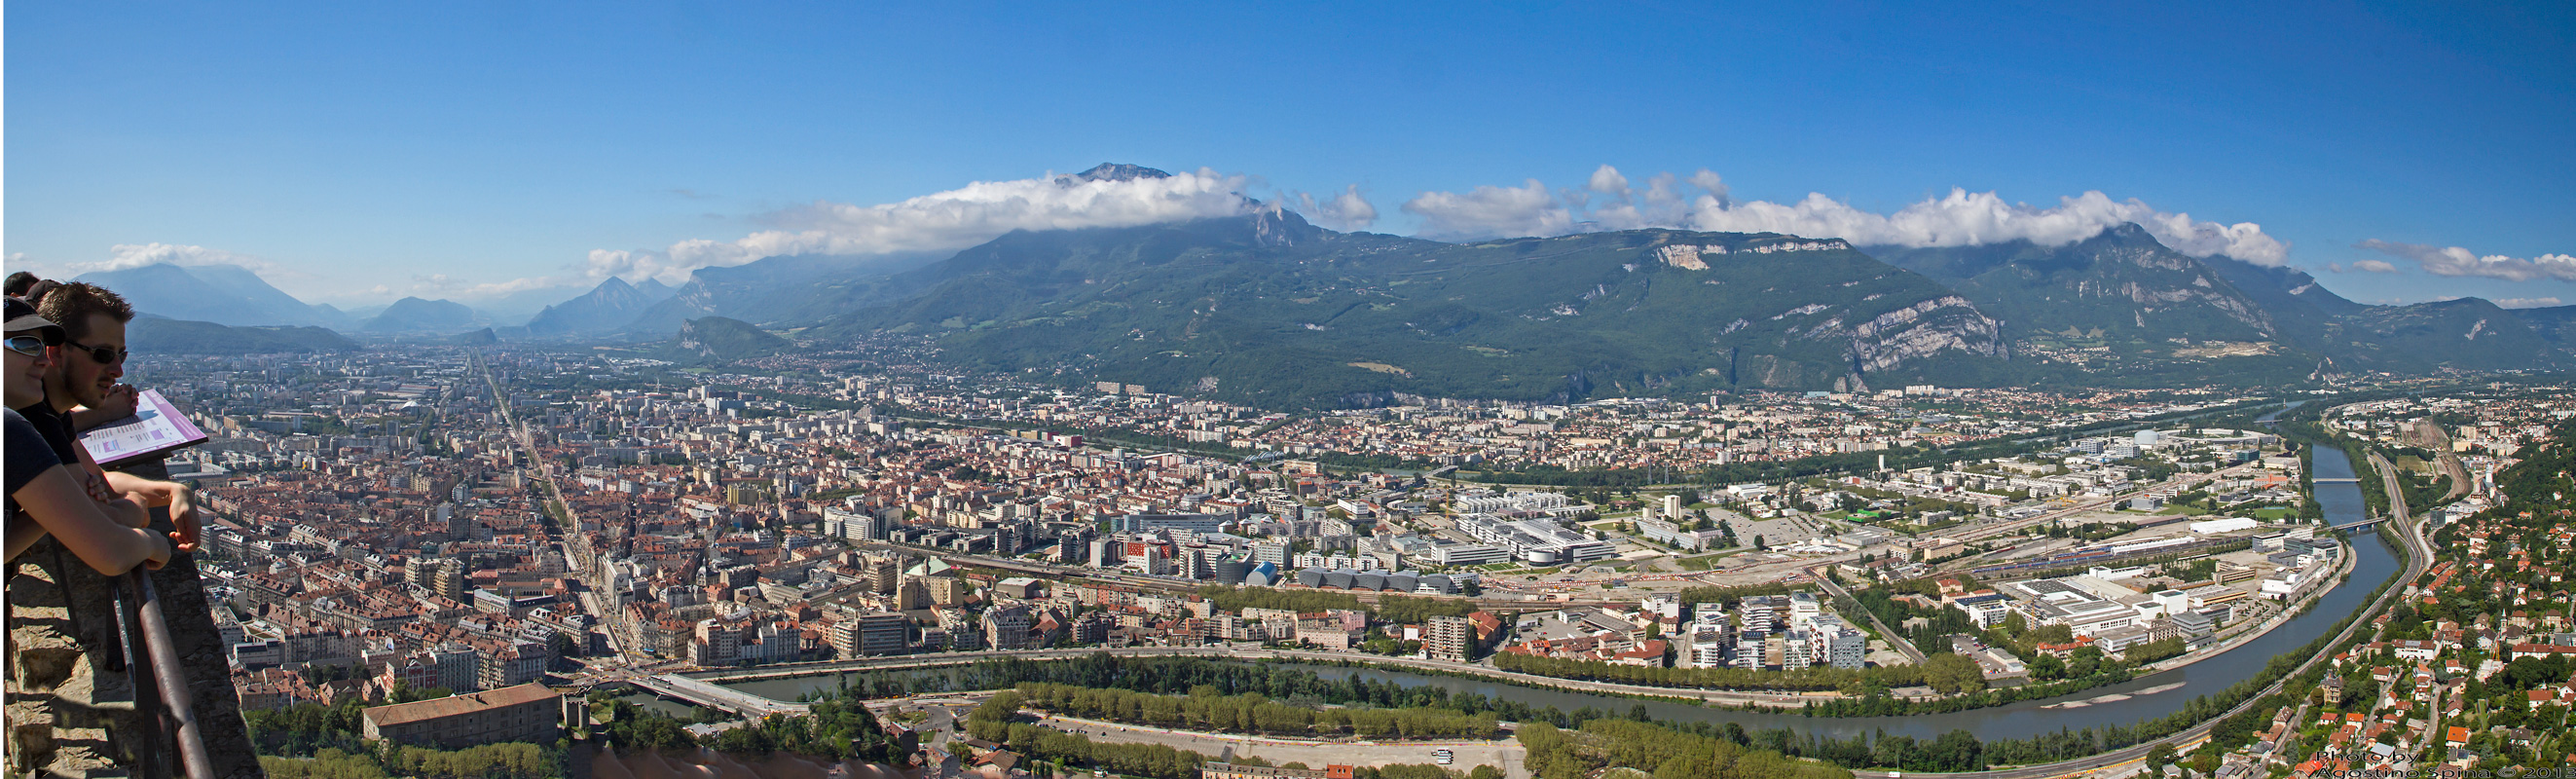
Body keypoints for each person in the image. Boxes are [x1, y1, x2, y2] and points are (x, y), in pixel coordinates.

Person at [31, 281, 201, 553]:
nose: (118, 370)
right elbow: (106, 537)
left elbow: (100, 479)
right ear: (57, 351)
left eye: (121, 355)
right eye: (103, 354)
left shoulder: (53, 412)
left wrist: (175, 491)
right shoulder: (31, 420)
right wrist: (137, 509)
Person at [5, 297, 171, 573]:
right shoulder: (10, 428)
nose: (43, 361)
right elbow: (112, 551)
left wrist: (58, 504)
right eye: (25, 345)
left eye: (41, 348)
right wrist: (152, 540)